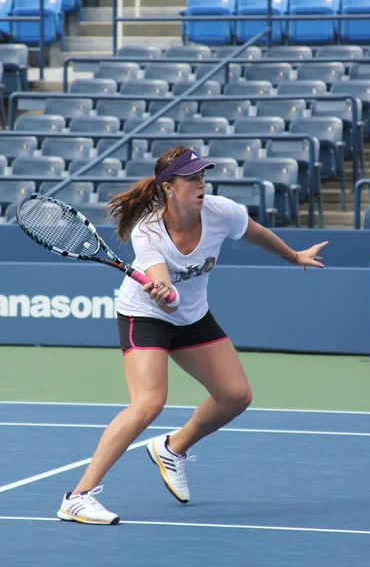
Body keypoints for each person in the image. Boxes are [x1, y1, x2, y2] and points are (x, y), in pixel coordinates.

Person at [57, 145, 328, 525]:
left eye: (203, 177)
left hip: (193, 316)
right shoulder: (148, 231)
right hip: (146, 315)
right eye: (192, 179)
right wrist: (164, 293)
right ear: (169, 187)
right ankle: (78, 496)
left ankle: (173, 448)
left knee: (236, 396)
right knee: (149, 403)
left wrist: (294, 256)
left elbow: (258, 234)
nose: (202, 184)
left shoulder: (221, 211)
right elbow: (165, 297)